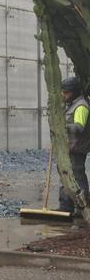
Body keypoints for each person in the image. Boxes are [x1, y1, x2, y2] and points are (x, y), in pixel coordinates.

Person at [58, 75, 90, 213]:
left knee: (77, 177)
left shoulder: (81, 106)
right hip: (69, 147)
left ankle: (82, 208)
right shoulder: (71, 104)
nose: (63, 95)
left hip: (77, 148)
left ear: (74, 92)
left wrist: (62, 126)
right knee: (65, 176)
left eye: (66, 92)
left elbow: (79, 127)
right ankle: (65, 206)